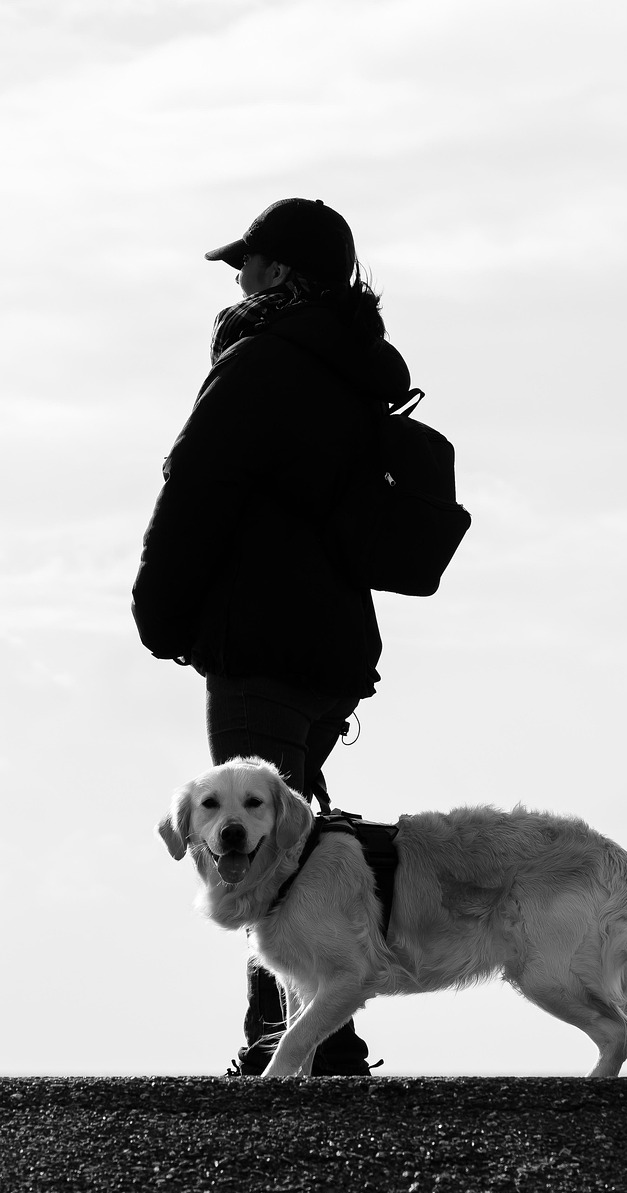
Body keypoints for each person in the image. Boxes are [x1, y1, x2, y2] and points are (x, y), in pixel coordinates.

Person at [132, 197, 412, 1074]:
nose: (238, 278)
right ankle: (317, 1032)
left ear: (281, 273)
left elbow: (199, 486)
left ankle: (290, 1045)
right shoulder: (356, 370)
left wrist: (158, 610)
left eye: (248, 264)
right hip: (334, 646)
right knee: (291, 833)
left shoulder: (260, 361)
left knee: (258, 852)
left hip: (260, 640)